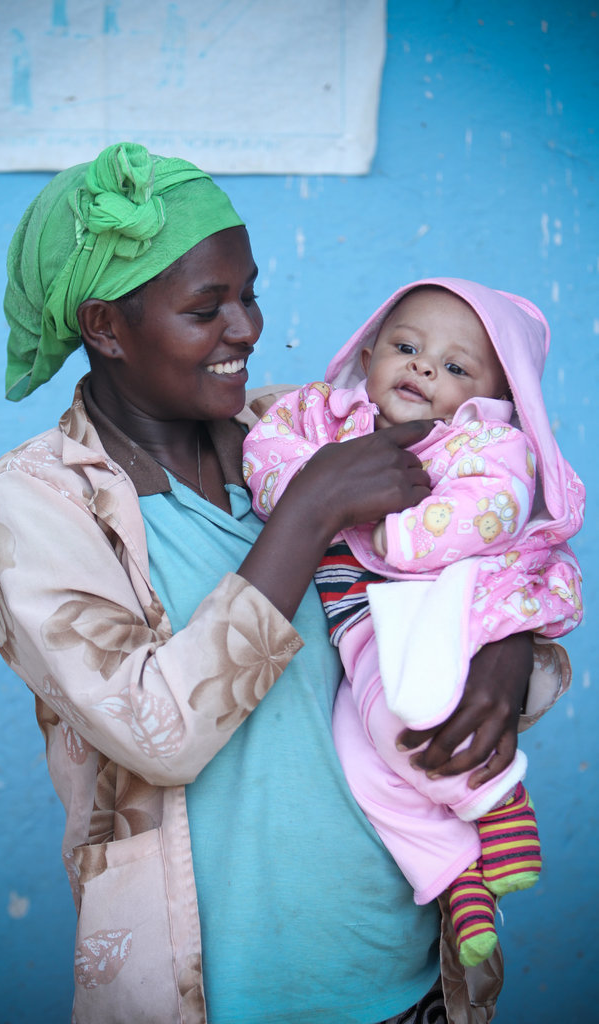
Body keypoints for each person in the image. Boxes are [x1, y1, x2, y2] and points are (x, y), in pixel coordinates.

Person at [0, 142, 573, 1024]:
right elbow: (158, 734)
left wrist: (510, 651)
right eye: (206, 308)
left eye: (248, 294)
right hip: (219, 998)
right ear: (104, 326)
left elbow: (496, 540)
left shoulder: (311, 424)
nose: (246, 328)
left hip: (411, 976)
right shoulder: (37, 503)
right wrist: (307, 513)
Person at [242, 280, 584, 967]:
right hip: (359, 620)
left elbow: (488, 509)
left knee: (401, 716)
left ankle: (494, 799)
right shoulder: (316, 414)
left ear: (494, 396)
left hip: (429, 605)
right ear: (366, 354)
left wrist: (385, 527)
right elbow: (267, 456)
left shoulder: (484, 442)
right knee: (358, 762)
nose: (425, 368)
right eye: (406, 347)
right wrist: (314, 489)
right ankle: (454, 876)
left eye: (456, 367)